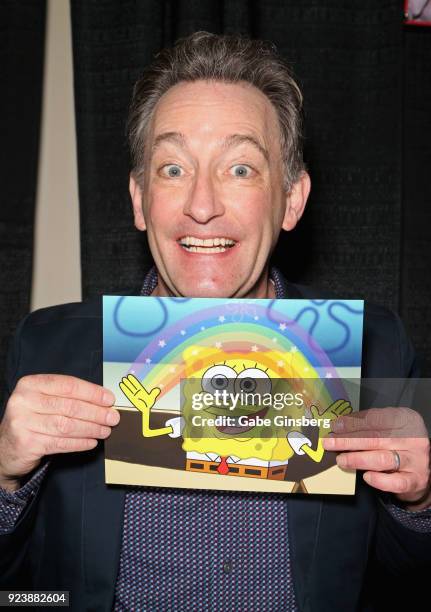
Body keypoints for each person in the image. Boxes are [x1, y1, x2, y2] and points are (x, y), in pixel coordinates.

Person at [0, 31, 430, 612]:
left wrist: (419, 502)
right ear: (137, 199)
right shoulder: (47, 349)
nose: (202, 205)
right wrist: (4, 480)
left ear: (292, 199)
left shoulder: (376, 348)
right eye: (172, 169)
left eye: (241, 169)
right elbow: (22, 595)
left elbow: (400, 584)